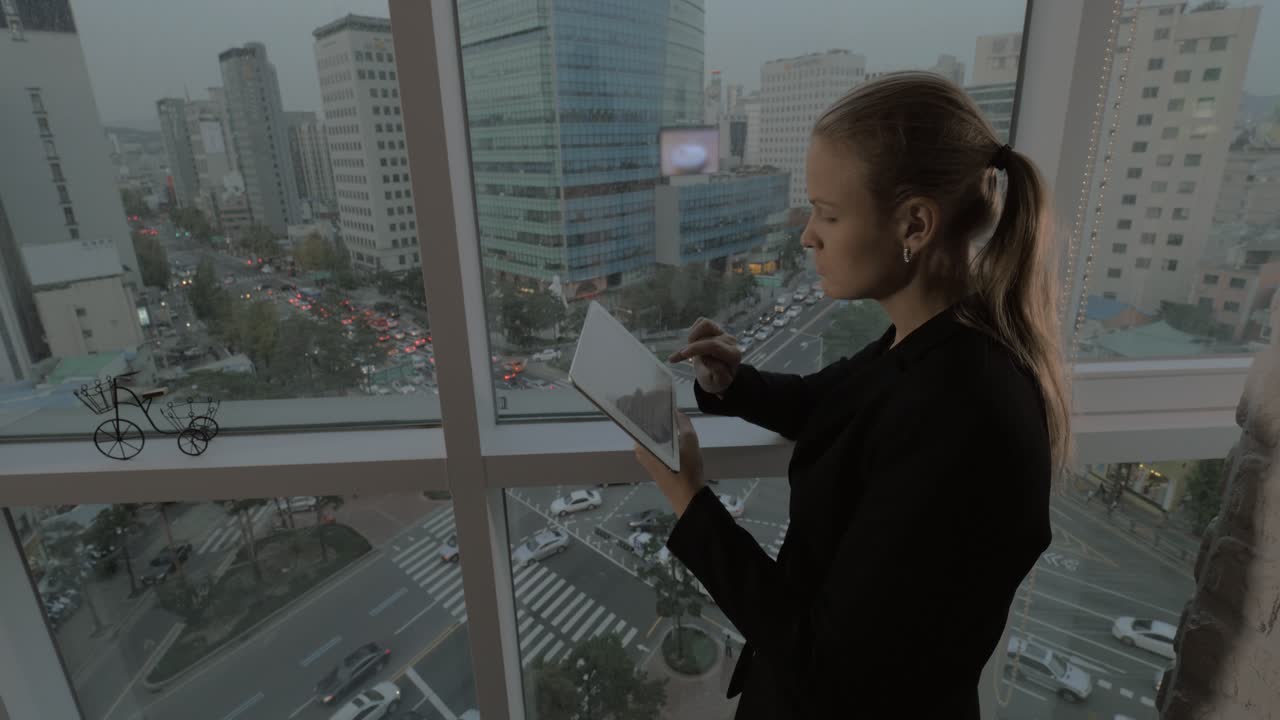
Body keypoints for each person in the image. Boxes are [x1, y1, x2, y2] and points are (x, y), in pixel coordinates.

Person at [633, 72, 1069, 719]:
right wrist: (732, 381)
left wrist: (690, 500)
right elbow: (831, 402)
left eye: (828, 214)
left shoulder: (965, 411)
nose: (808, 235)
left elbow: (824, 661)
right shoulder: (933, 341)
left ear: (915, 225)